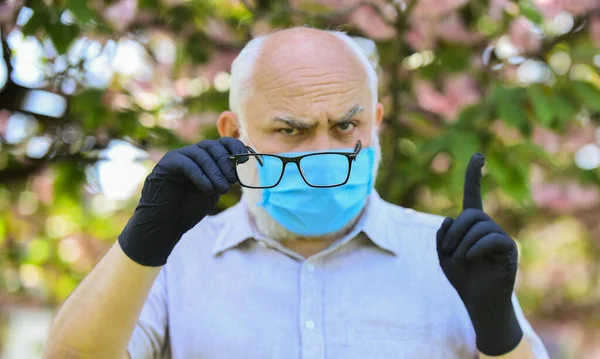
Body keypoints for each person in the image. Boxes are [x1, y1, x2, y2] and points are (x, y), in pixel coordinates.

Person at [44, 27, 549, 359]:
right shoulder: (176, 260)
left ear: (374, 124)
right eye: (292, 130)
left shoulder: (449, 256)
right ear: (233, 131)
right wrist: (143, 243)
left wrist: (497, 327)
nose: (325, 152)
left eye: (345, 124)